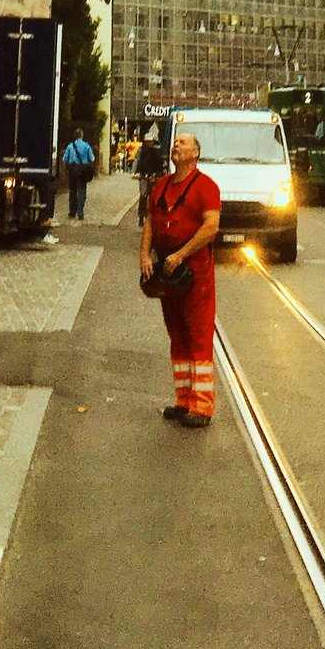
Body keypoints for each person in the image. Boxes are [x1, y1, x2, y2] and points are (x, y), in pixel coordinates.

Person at [140, 129, 220, 428]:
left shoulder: (206, 187)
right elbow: (150, 222)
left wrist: (182, 254)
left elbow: (211, 227)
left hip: (195, 272)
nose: (176, 145)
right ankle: (183, 399)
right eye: (175, 142)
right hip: (168, 273)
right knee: (177, 334)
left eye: (183, 142)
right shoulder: (161, 185)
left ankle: (202, 407)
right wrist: (145, 257)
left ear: (195, 153)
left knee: (198, 335)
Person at [62, 127, 96, 220]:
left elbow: (65, 159)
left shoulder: (70, 146)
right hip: (83, 169)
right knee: (82, 191)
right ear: (82, 135)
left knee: (72, 191)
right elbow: (92, 158)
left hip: (72, 169)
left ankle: (72, 212)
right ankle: (80, 212)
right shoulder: (86, 146)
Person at [135, 127, 164, 224]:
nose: (149, 143)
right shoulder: (141, 150)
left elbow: (159, 164)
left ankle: (149, 216)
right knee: (143, 196)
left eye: (150, 141)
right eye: (147, 142)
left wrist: (157, 174)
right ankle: (141, 216)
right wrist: (134, 171)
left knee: (152, 196)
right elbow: (137, 160)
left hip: (153, 176)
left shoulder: (156, 152)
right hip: (143, 175)